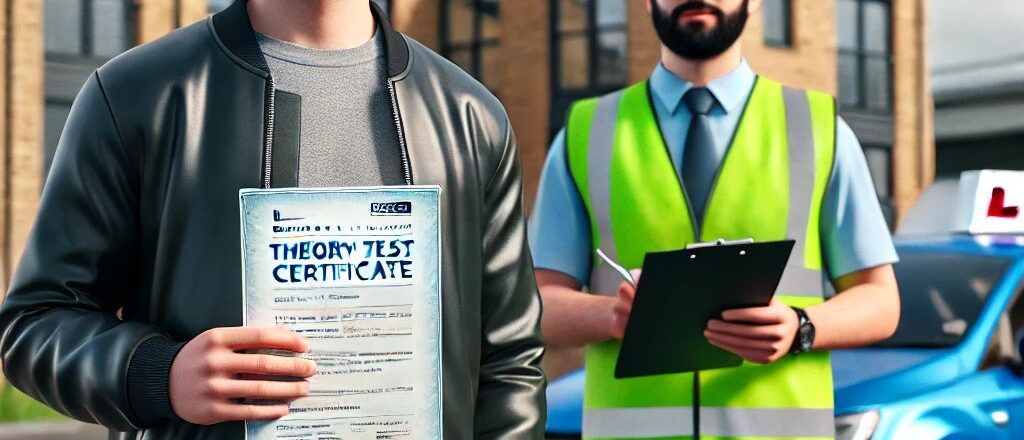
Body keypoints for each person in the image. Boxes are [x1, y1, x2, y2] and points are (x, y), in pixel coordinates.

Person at [0, 1, 545, 438]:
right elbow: (35, 322)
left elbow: (509, 362)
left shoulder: (471, 117)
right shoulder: (136, 96)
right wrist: (158, 375)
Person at [529, 0, 900, 438]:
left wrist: (801, 326)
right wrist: (614, 314)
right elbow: (535, 304)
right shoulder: (586, 132)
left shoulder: (820, 129)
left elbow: (881, 301)